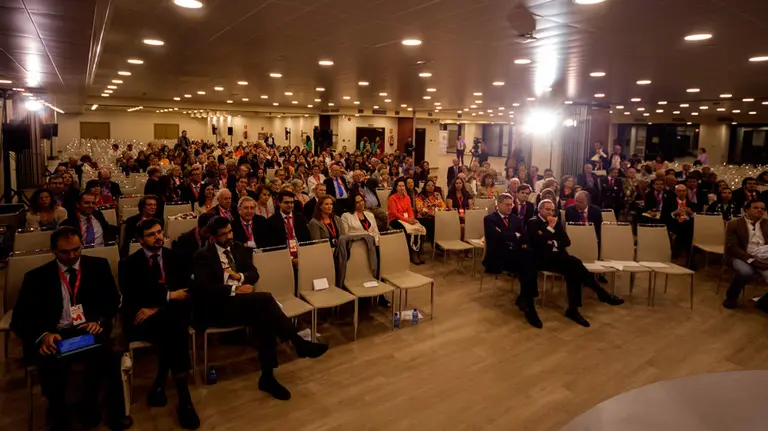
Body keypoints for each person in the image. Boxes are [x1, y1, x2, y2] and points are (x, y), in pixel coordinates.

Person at [191, 216, 328, 400]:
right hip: (218, 307)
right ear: (213, 237)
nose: (229, 236)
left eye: (230, 232)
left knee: (266, 317)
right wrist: (234, 289)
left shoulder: (237, 247)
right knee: (265, 301)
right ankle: (298, 343)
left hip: (243, 304)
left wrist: (240, 277)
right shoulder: (203, 256)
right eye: (224, 235)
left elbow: (254, 274)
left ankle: (268, 377)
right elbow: (203, 289)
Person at [11, 227, 132, 431]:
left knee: (109, 357)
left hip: (87, 329)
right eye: (65, 252)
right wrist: (43, 335)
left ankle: (101, 408)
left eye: (76, 249)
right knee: (49, 364)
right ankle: (58, 411)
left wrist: (99, 320)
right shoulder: (37, 277)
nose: (72, 255)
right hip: (55, 334)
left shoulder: (98, 266)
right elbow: (19, 320)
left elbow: (112, 301)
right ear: (53, 251)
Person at [118, 219, 200, 429]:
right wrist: (168, 297)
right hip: (142, 318)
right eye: (151, 235)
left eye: (159, 232)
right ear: (140, 240)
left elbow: (187, 290)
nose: (157, 237)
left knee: (171, 327)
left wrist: (158, 305)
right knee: (175, 330)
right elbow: (133, 295)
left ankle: (164, 385)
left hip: (168, 316)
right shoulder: (128, 264)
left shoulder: (175, 257)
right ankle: (183, 398)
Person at [527, 200, 624, 327]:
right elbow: (538, 242)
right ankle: (600, 293)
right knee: (575, 264)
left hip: (559, 257)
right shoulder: (533, 222)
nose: (551, 212)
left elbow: (566, 241)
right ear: (540, 210)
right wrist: (550, 229)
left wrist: (553, 242)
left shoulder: (555, 222)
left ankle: (574, 309)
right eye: (547, 209)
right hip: (542, 259)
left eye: (552, 210)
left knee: (574, 270)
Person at [483, 194, 541, 328]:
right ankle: (527, 298)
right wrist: (514, 235)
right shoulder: (490, 219)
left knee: (529, 261)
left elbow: (523, 237)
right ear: (498, 204)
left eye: (511, 205)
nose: (510, 207)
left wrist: (508, 236)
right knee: (527, 263)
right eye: (507, 205)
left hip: (514, 253)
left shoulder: (516, 219)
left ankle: (528, 304)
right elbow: (496, 237)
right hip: (497, 256)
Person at [722, 200, 768, 312]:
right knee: (746, 271)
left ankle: (763, 302)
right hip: (741, 256)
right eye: (756, 208)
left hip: (763, 256)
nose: (760, 210)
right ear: (746, 209)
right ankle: (731, 297)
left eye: (762, 209)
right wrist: (752, 261)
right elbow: (733, 248)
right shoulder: (735, 224)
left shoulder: (766, 223)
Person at [265, 191, 311, 261]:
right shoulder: (271, 221)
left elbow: (307, 238)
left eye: (292, 202)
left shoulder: (300, 218)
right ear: (279, 203)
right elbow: (272, 245)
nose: (290, 205)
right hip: (282, 258)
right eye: (286, 202)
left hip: (302, 255)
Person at [388, 177, 424, 265]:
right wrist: (408, 220)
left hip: (407, 219)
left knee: (419, 228)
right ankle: (411, 253)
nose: (401, 188)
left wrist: (412, 219)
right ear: (396, 187)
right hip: (395, 219)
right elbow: (395, 213)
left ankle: (417, 251)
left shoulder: (407, 197)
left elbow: (410, 210)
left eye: (403, 186)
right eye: (399, 186)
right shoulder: (392, 198)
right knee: (406, 230)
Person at [663, 184, 695, 259]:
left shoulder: (691, 204)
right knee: (686, 228)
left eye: (683, 191)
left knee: (688, 225)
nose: (682, 193)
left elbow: (697, 217)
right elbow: (664, 216)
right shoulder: (669, 203)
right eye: (679, 191)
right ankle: (688, 256)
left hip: (688, 224)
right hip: (675, 223)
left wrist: (691, 213)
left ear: (686, 192)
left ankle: (684, 253)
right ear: (675, 192)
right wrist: (674, 213)